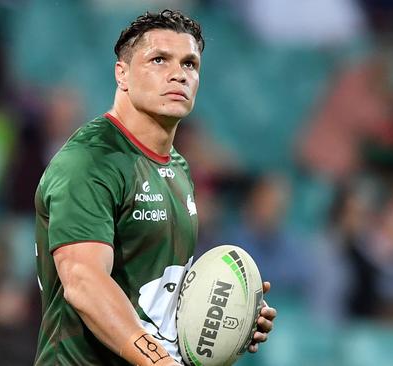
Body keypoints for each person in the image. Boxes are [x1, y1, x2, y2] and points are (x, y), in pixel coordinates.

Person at [33, 9, 276, 366]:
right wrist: (157, 361)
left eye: (190, 64)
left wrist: (228, 317)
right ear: (122, 73)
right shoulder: (89, 161)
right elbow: (83, 282)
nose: (178, 74)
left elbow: (158, 298)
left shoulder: (177, 168)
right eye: (159, 60)